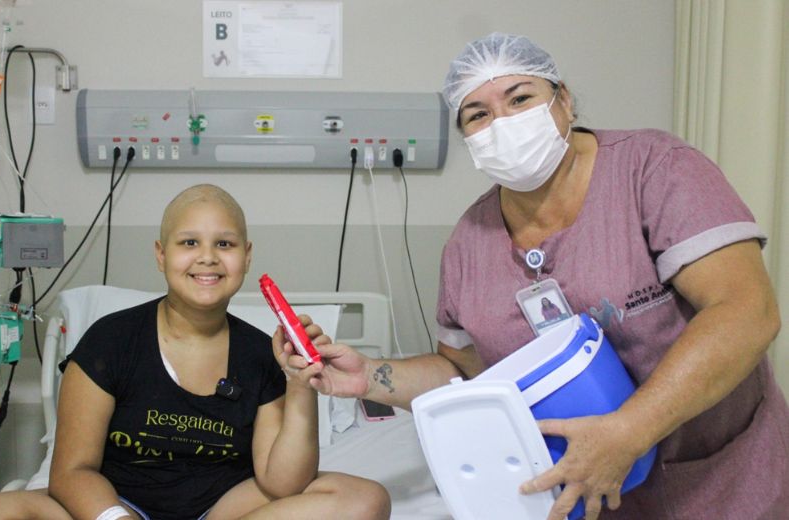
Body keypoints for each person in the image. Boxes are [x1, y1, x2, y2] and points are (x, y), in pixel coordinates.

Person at [302, 33, 789, 520]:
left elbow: (746, 311)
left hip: (719, 482)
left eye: (520, 99)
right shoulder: (469, 245)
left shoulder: (655, 170)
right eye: (478, 114)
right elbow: (465, 375)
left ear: (564, 100)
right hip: (577, 496)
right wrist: (370, 376)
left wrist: (628, 432)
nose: (503, 123)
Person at [0, 184, 390, 520]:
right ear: (161, 255)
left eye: (225, 244)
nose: (208, 258)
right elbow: (72, 471)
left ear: (247, 256)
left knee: (364, 499)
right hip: (118, 502)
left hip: (222, 508)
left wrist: (300, 383)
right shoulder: (111, 341)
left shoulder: (261, 355)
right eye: (189, 242)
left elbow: (282, 484)